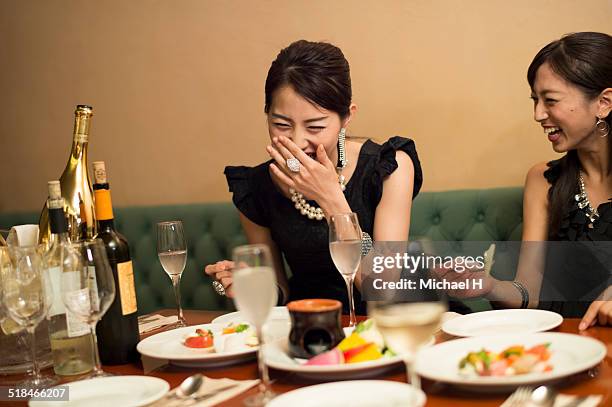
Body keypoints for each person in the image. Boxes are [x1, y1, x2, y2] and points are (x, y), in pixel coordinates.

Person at [204, 40, 422, 314]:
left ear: (346, 117)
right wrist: (252, 286)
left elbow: (384, 291)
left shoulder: (390, 167)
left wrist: (331, 198)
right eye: (281, 124)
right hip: (312, 327)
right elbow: (279, 294)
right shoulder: (255, 187)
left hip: (395, 323)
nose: (298, 141)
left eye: (315, 126)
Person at [437, 32, 612, 328]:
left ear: (604, 103)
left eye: (550, 100)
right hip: (558, 342)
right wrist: (488, 286)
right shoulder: (543, 179)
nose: (538, 114)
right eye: (535, 100)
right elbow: (527, 292)